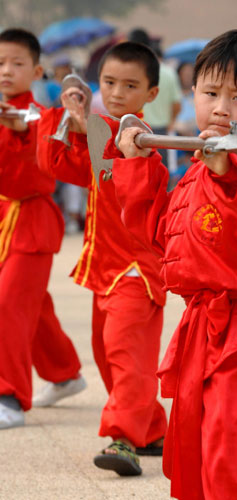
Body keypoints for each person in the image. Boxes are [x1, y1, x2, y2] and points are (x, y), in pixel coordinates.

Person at [112, 30, 237, 499]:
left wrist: (228, 167)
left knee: (227, 455)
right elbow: (157, 234)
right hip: (200, 331)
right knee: (190, 454)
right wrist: (136, 161)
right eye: (211, 93)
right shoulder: (192, 170)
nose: (221, 108)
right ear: (192, 94)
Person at [37, 42, 167, 476]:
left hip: (136, 271)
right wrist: (72, 122)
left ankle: (125, 439)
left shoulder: (143, 141)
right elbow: (62, 167)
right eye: (109, 82)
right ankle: (150, 429)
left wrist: (92, 130)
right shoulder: (102, 129)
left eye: (130, 85)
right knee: (112, 355)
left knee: (127, 356)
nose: (115, 93)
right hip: (105, 267)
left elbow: (128, 184)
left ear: (151, 94)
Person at [0, 28, 86, 429]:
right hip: (4, 222)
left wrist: (21, 134)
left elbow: (38, 176)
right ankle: (64, 373)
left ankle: (9, 397)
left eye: (17, 64)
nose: (6, 71)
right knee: (30, 304)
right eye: (0, 63)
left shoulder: (38, 115)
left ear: (35, 70)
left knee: (9, 306)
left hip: (31, 222)